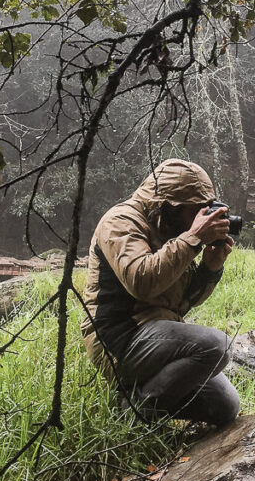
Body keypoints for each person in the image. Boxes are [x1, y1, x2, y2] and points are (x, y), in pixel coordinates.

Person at [81, 158, 240, 426]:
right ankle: (135, 413)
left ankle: (143, 396)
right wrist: (193, 238)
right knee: (218, 346)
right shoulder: (120, 222)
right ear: (169, 205)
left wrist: (210, 268)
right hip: (119, 339)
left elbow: (185, 301)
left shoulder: (170, 228)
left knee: (225, 405)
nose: (201, 218)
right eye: (196, 210)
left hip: (155, 333)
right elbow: (141, 282)